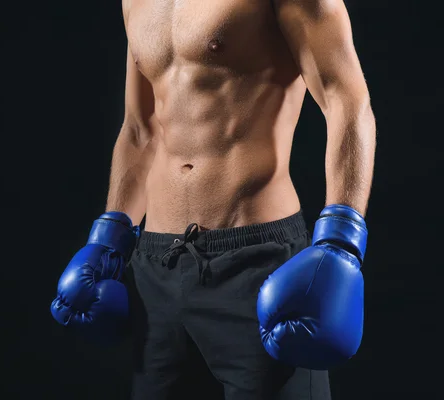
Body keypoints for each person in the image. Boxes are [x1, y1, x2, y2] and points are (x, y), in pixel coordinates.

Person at [51, 0, 376, 398]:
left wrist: (341, 242)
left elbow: (348, 101)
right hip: (155, 269)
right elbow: (139, 129)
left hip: (257, 268)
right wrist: (108, 237)